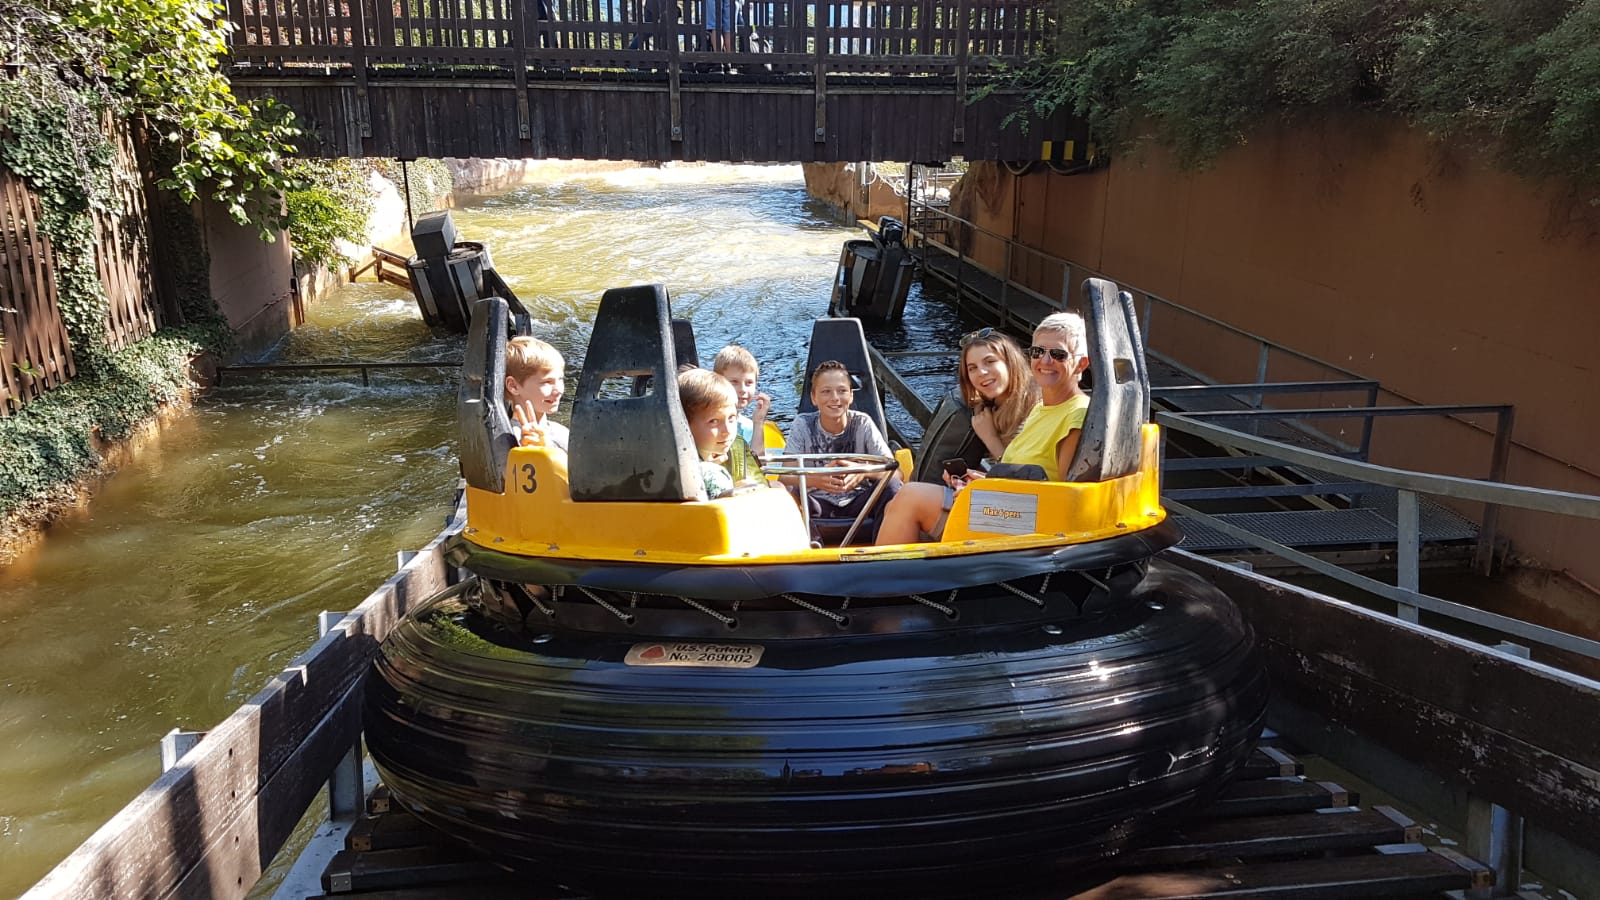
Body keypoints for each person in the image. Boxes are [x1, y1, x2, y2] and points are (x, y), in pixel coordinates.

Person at [875, 312, 1090, 545]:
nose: (1045, 361)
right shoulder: (1042, 409)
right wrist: (981, 482)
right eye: (1038, 352)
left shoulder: (1076, 415)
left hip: (1029, 523)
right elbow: (1024, 475)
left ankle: (878, 568)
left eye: (1058, 354)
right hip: (1011, 508)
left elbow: (1065, 499)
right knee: (900, 500)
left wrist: (986, 494)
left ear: (1081, 363)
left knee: (910, 497)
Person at [784, 360, 901, 537]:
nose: (835, 398)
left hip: (860, 503)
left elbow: (897, 474)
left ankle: (885, 545)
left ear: (851, 395)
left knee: (892, 485)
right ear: (814, 398)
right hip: (816, 504)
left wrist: (862, 472)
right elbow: (784, 476)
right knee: (785, 493)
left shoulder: (863, 423)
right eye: (826, 392)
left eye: (842, 391)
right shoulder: (802, 424)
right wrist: (816, 479)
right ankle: (812, 545)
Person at [678, 368, 763, 499]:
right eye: (714, 421)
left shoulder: (664, 467)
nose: (727, 430)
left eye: (732, 418)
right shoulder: (712, 475)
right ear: (684, 424)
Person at [958, 327, 1039, 460]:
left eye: (990, 362)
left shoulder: (1033, 410)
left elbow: (1019, 471)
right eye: (972, 368)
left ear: (1011, 362)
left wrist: (990, 438)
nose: (981, 372)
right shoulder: (988, 409)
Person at [505, 336, 569, 452]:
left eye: (560, 379)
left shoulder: (562, 432)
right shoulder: (509, 440)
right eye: (547, 382)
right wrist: (537, 453)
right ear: (513, 386)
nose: (559, 390)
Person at [712, 344, 771, 455]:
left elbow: (758, 463)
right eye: (734, 382)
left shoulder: (748, 427)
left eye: (749, 383)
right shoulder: (707, 421)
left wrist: (758, 423)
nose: (743, 389)